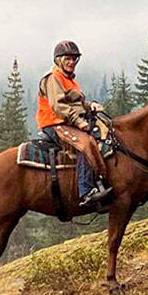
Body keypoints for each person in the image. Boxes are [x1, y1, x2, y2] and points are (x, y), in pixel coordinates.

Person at [36, 40, 114, 212]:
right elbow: (59, 107)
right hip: (56, 123)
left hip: (69, 121)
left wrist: (90, 106)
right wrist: (79, 122)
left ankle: (101, 182)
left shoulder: (69, 80)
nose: (71, 62)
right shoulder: (53, 78)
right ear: (58, 60)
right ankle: (86, 191)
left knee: (105, 135)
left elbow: (77, 101)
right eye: (68, 59)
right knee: (85, 144)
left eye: (74, 59)